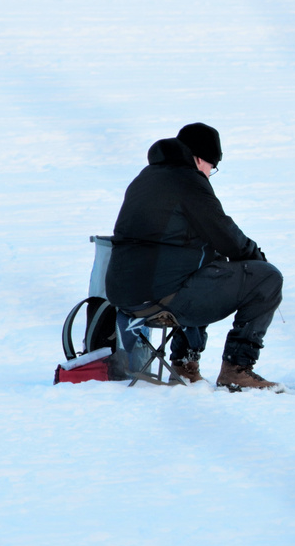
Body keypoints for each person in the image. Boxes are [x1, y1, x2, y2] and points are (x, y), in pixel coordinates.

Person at [105, 123, 284, 391]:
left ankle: (184, 365)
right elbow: (226, 236)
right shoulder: (188, 182)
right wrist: (257, 259)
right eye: (212, 166)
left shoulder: (146, 178)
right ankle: (237, 369)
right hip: (163, 298)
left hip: (125, 298)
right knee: (266, 278)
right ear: (200, 158)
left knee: (208, 268)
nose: (211, 173)